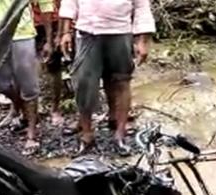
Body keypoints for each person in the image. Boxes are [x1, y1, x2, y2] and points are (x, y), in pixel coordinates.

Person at [59, 0, 156, 155]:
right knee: (84, 83)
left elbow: (141, 7)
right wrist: (65, 32)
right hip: (87, 33)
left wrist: (142, 41)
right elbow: (69, 3)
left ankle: (120, 134)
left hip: (120, 32)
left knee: (121, 82)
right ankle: (86, 134)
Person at [0, 0, 54, 153]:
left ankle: (32, 133)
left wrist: (49, 40)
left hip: (22, 34)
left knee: (29, 86)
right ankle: (20, 110)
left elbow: (45, 4)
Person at [32, 0, 64, 125]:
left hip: (50, 20)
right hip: (27, 23)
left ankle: (55, 108)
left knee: (53, 67)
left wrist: (51, 38)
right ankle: (26, 109)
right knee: (28, 67)